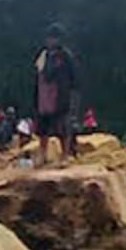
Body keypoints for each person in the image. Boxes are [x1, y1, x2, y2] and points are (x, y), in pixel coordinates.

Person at [32, 23, 78, 166]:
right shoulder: (43, 55)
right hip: (44, 97)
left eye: (54, 38)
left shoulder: (65, 56)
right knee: (42, 128)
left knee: (62, 128)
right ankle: (43, 155)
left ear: (60, 40)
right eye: (49, 38)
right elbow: (38, 75)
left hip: (60, 96)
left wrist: (71, 94)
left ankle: (65, 156)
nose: (50, 41)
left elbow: (74, 76)